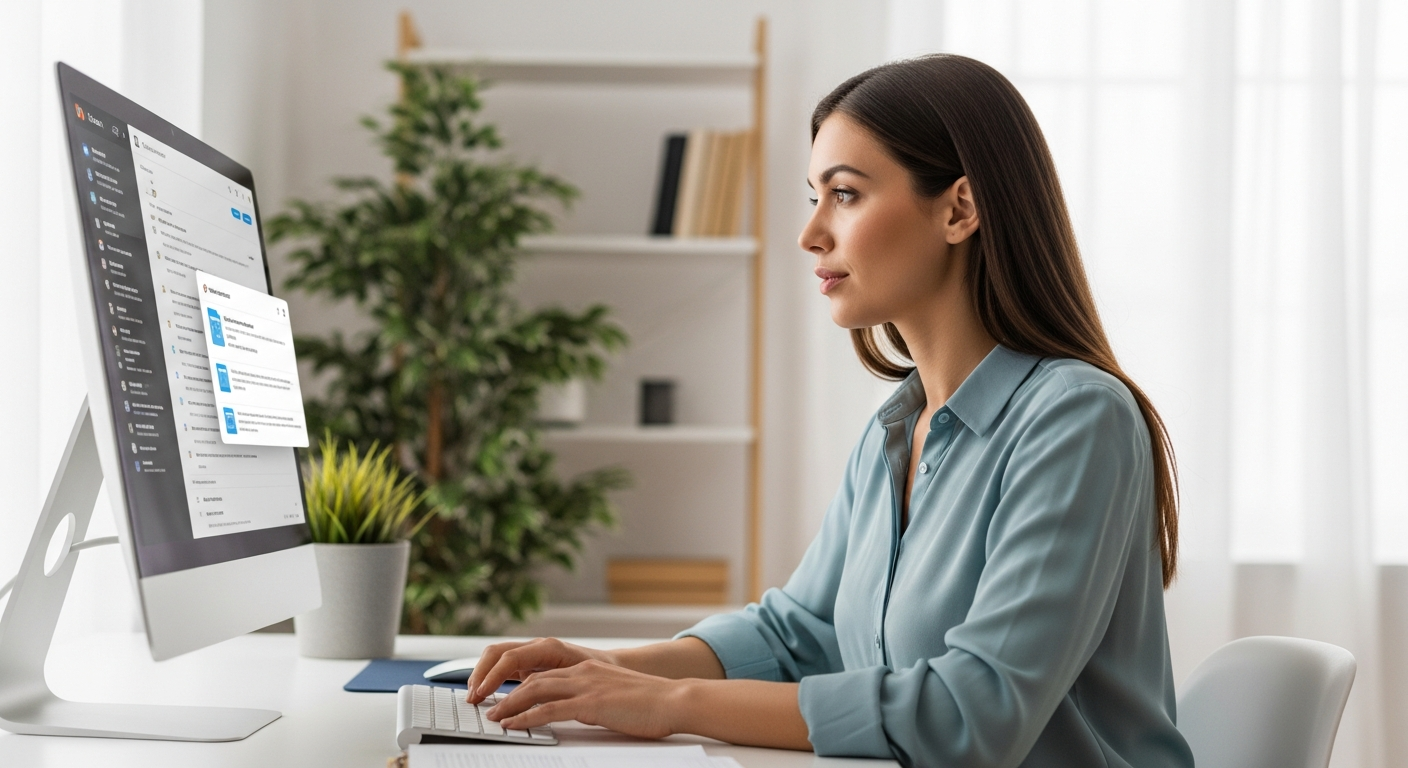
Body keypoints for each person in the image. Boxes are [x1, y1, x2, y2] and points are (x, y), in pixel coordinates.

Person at [467, 54, 1194, 767]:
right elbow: (799, 635)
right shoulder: (899, 428)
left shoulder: (1076, 421)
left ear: (958, 209)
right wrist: (606, 668)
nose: (811, 233)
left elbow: (973, 716)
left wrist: (670, 704)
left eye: (844, 194)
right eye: (814, 195)